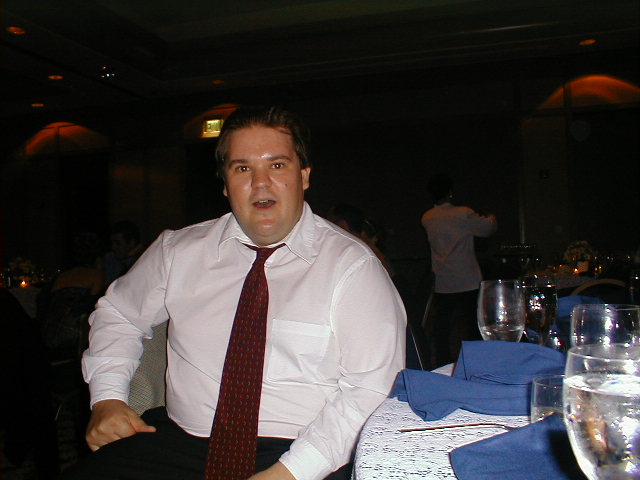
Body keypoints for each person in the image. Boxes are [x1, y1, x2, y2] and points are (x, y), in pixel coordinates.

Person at [62, 105, 406, 480]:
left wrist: (288, 473)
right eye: (243, 168)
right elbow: (119, 314)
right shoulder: (177, 251)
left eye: (277, 165)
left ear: (304, 175)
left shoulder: (352, 267)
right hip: (185, 442)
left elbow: (370, 388)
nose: (261, 183)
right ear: (225, 184)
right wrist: (108, 398)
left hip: (305, 450)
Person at [421, 173, 497, 366]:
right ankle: (475, 361)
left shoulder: (427, 217)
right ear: (450, 192)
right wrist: (492, 217)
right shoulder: (463, 213)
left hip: (443, 278)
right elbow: (487, 229)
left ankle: (441, 362)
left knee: (443, 326)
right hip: (467, 278)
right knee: (473, 324)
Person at [103, 220, 143, 286]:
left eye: (118, 243)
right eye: (112, 243)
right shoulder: (110, 260)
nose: (113, 247)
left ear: (131, 243)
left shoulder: (141, 262)